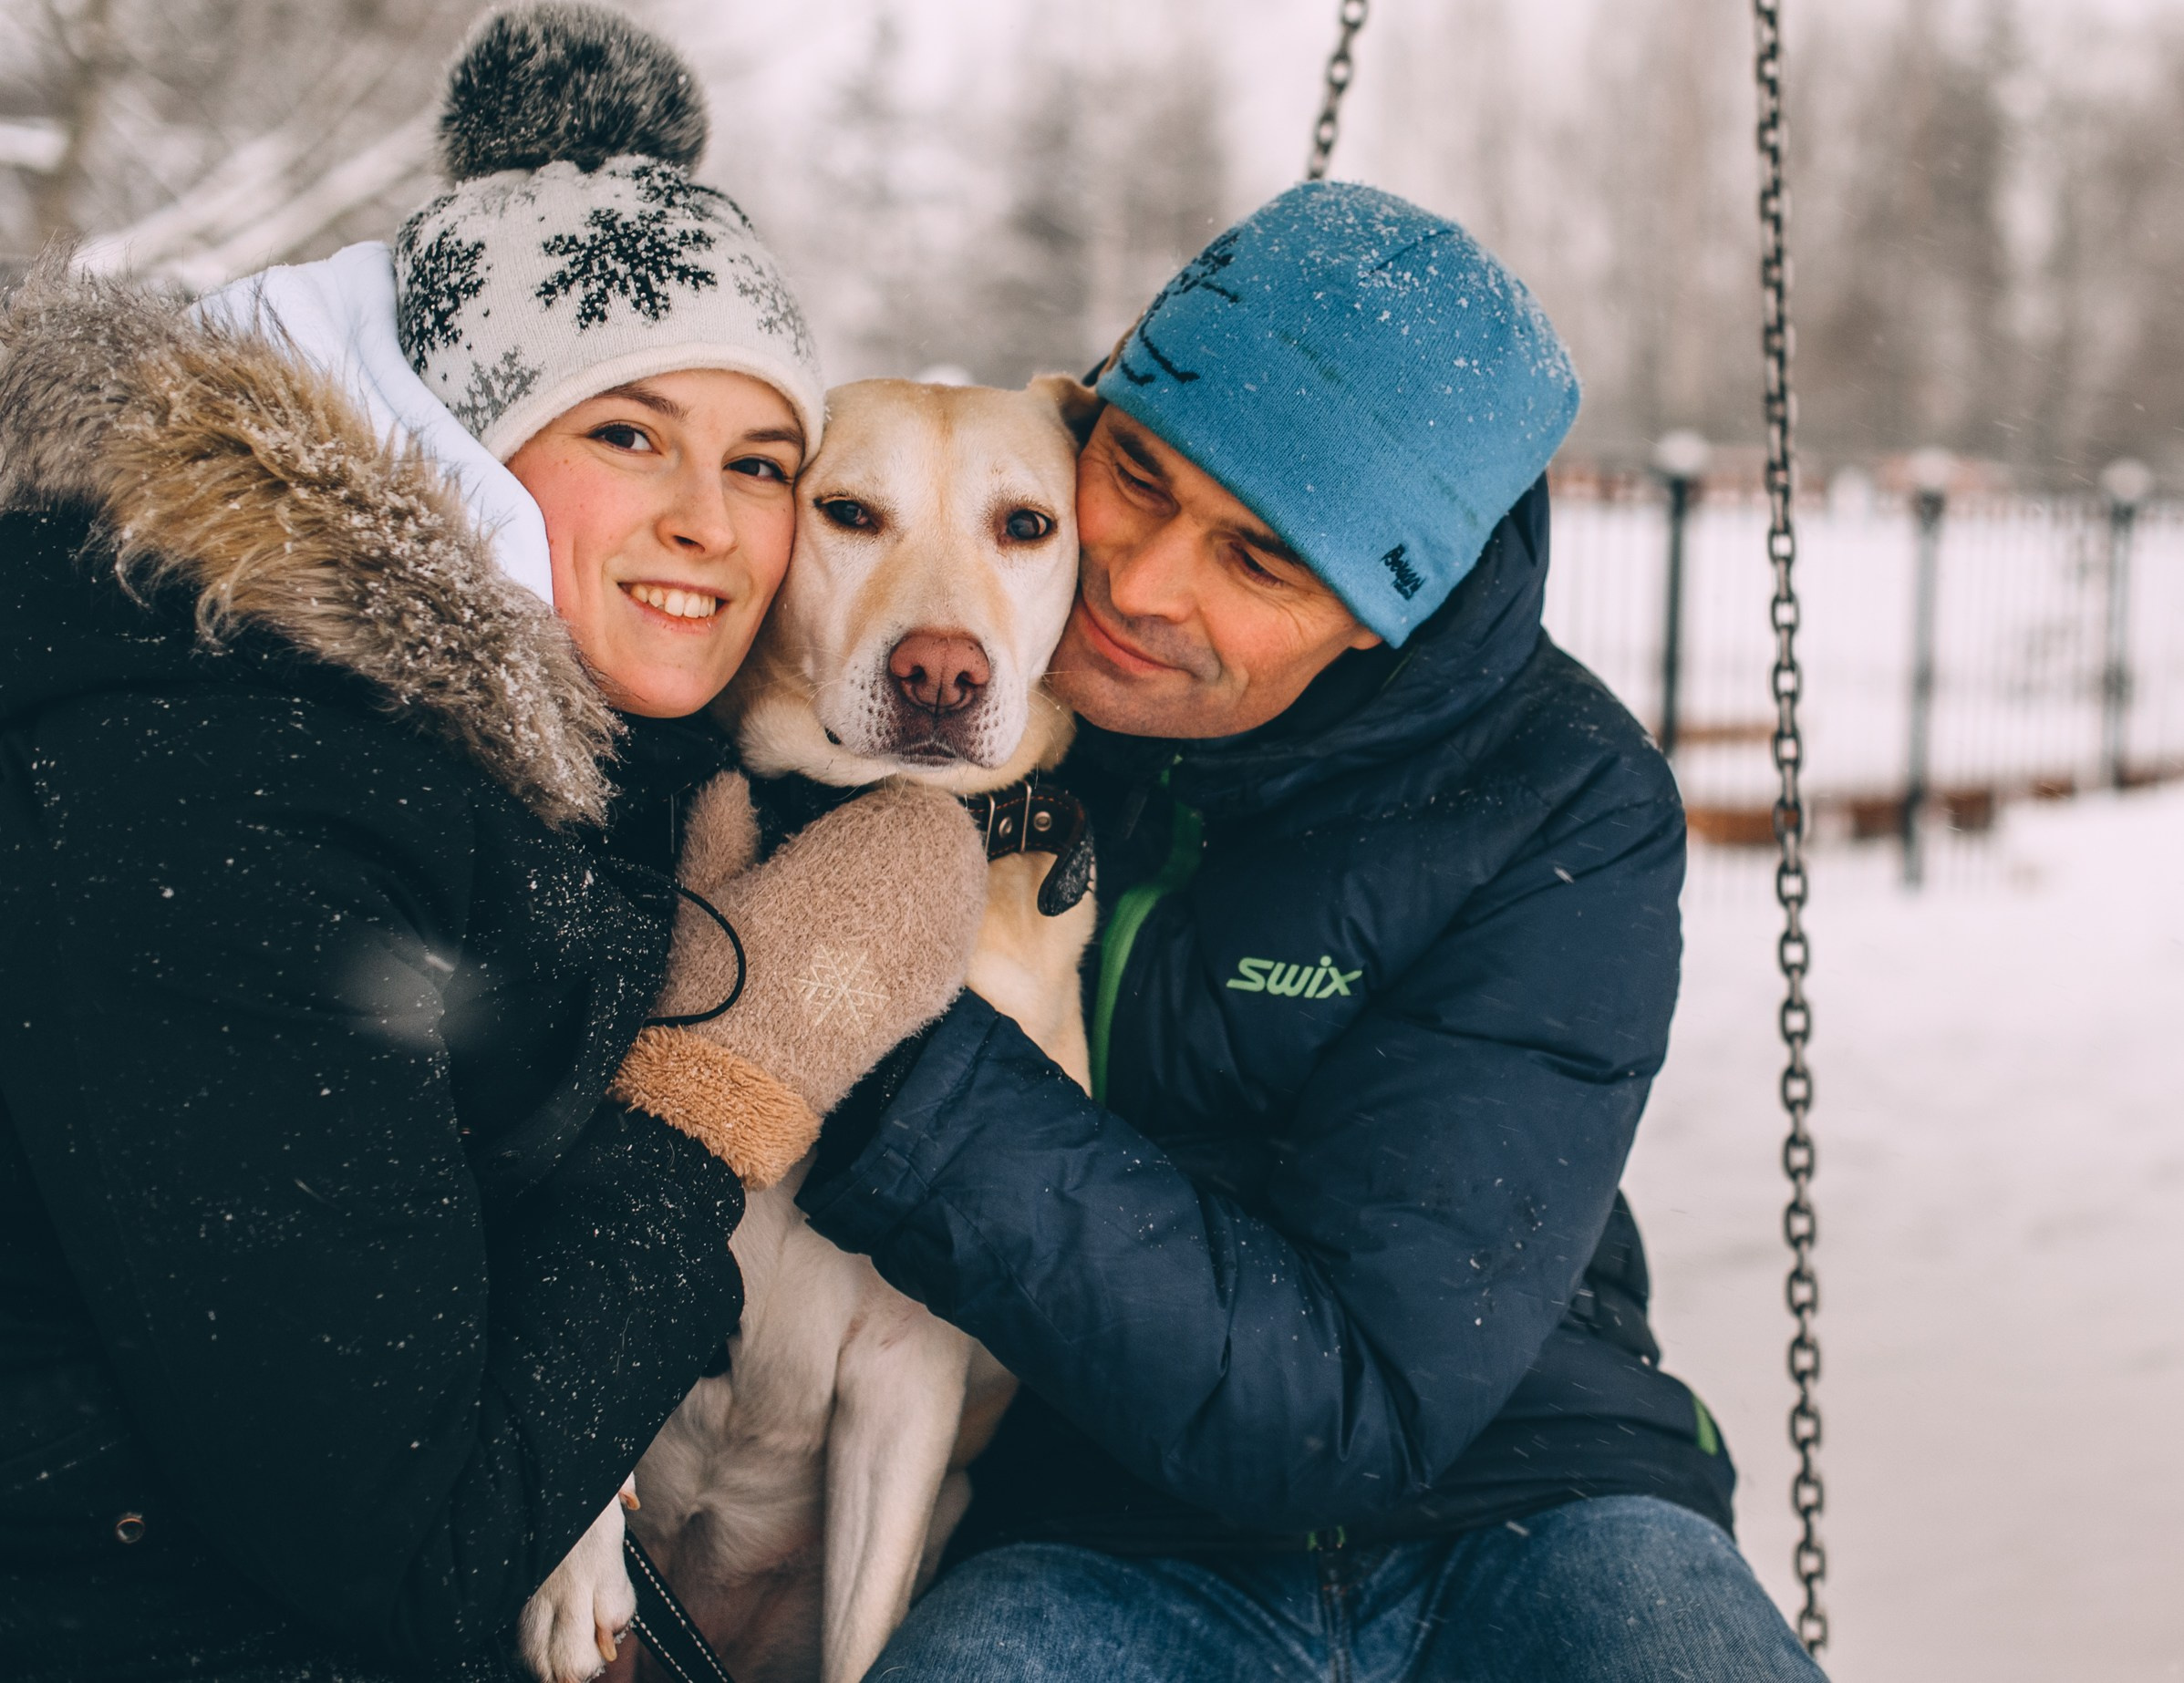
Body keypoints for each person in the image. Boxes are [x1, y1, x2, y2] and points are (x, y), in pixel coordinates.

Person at [0, 9, 984, 1681]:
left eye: (763, 463)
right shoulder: (224, 772)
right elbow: (416, 1541)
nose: (709, 520)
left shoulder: (525, 746)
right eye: (627, 432)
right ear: (445, 442)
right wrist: (734, 1063)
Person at [801, 184, 1830, 1679]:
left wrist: (897, 1073)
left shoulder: (1559, 797)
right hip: (1096, 1513)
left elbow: (1360, 1403)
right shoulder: (981, 687)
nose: (1140, 585)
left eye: (1260, 559)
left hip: (1539, 1488)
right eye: (1138, 476)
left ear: (1378, 614)